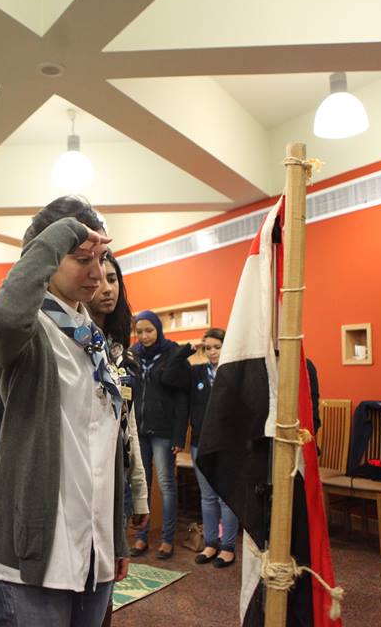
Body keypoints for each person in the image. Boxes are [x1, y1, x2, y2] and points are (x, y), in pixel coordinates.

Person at [0, 196, 128, 627]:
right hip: (35, 551)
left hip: (93, 546)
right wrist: (62, 233)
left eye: (101, 259)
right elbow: (7, 313)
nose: (97, 274)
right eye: (82, 259)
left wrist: (115, 539)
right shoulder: (28, 333)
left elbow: (105, 445)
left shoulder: (91, 338)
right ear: (45, 259)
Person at [86, 253, 150, 627]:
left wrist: (139, 491)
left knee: (105, 587)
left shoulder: (120, 353)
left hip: (115, 482)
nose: (107, 288)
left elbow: (129, 426)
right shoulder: (70, 343)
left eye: (113, 279)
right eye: (98, 278)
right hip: (79, 480)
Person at [175, 328, 239, 568]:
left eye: (217, 347)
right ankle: (210, 544)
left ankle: (228, 547)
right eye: (208, 348)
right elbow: (169, 375)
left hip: (227, 444)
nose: (212, 352)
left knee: (226, 497)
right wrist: (187, 350)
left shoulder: (234, 372)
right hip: (199, 442)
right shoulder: (196, 372)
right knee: (208, 496)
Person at [129, 310, 189, 560]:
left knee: (166, 485)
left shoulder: (173, 353)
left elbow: (182, 398)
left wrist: (179, 436)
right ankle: (141, 537)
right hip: (139, 430)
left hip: (164, 432)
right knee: (141, 486)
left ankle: (166, 539)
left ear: (158, 329)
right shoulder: (132, 354)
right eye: (140, 331)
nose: (144, 336)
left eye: (149, 330)